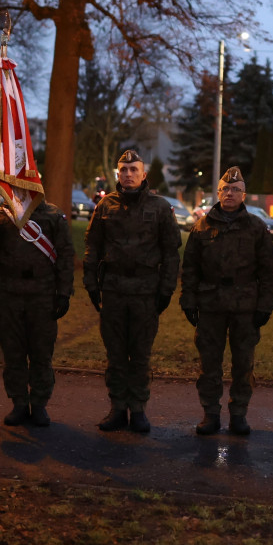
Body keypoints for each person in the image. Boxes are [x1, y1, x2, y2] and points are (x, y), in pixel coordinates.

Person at [84, 150, 181, 433]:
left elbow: (171, 253)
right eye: (123, 169)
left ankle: (137, 409)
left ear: (143, 175)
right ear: (118, 173)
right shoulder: (104, 206)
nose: (128, 174)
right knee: (115, 354)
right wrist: (91, 285)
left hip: (146, 292)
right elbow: (92, 247)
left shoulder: (160, 207)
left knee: (140, 355)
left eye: (133, 169)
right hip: (113, 290)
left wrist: (166, 290)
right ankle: (117, 408)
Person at [181, 167, 273, 436]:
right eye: (225, 189)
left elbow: (268, 272)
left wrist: (265, 306)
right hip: (210, 305)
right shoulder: (202, 226)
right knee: (209, 364)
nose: (230, 193)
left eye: (235, 189)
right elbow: (189, 269)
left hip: (245, 307)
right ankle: (210, 413)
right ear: (218, 193)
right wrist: (188, 300)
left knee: (243, 364)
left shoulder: (257, 228)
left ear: (244, 194)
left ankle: (238, 414)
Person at [0, 200, 74, 427]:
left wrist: (64, 293)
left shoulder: (53, 215)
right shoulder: (2, 215)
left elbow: (66, 255)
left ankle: (39, 404)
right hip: (10, 294)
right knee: (13, 353)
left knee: (41, 353)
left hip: (43, 295)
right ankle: (19, 403)